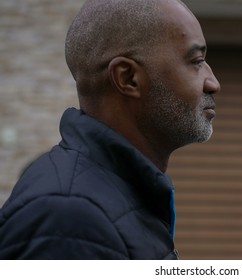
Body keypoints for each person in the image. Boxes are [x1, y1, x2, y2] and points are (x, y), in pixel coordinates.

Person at [0, 0, 220, 259]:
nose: (213, 83)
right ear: (128, 78)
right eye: (196, 61)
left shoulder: (118, 195)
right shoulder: (69, 218)